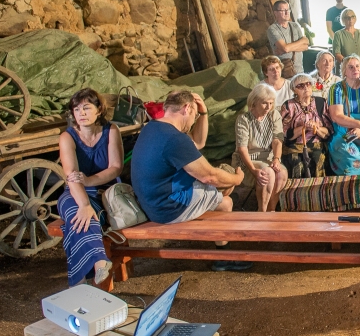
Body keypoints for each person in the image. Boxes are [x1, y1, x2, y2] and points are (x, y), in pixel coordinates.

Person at [131, 90, 247, 270]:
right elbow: (210, 176)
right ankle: (225, 258)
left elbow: (197, 143)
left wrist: (203, 113)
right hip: (168, 208)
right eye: (194, 114)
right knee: (226, 197)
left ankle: (223, 253)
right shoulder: (174, 138)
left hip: (152, 202)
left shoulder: (153, 128)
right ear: (186, 108)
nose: (193, 121)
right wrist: (237, 179)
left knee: (222, 197)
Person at [57, 88, 123, 286]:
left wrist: (89, 181)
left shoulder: (111, 131)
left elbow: (116, 168)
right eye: (77, 110)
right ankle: (100, 262)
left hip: (104, 192)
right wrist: (84, 204)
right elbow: (72, 177)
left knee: (81, 220)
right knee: (79, 215)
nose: (81, 114)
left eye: (86, 108)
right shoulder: (67, 137)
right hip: (75, 192)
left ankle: (78, 283)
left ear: (99, 110)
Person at [233, 84, 287, 212]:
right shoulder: (244, 119)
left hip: (268, 157)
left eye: (271, 103)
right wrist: (252, 170)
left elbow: (277, 140)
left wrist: (276, 158)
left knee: (282, 173)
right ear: (254, 103)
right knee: (266, 173)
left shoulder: (274, 115)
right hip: (247, 159)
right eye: (264, 103)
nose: (268, 107)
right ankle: (261, 212)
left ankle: (271, 210)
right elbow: (242, 149)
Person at [327, 55, 360, 175]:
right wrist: (359, 124)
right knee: (344, 148)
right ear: (344, 71)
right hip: (344, 129)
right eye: (350, 67)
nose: (355, 69)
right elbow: (337, 116)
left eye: (357, 66)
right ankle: (349, 183)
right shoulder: (336, 88)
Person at [280, 73, 332, 178]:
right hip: (294, 146)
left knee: (318, 159)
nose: (306, 87)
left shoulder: (321, 102)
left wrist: (316, 128)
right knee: (296, 163)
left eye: (308, 84)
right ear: (294, 90)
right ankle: (297, 193)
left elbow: (329, 131)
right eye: (300, 85)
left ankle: (317, 191)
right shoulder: (288, 105)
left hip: (316, 145)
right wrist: (303, 127)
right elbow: (284, 132)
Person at [267, 0, 309, 78]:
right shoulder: (272, 29)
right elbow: (285, 48)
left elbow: (306, 46)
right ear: (275, 13)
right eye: (283, 10)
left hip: (300, 72)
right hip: (285, 74)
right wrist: (302, 40)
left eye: (288, 9)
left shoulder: (295, 26)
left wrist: (288, 48)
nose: (287, 13)